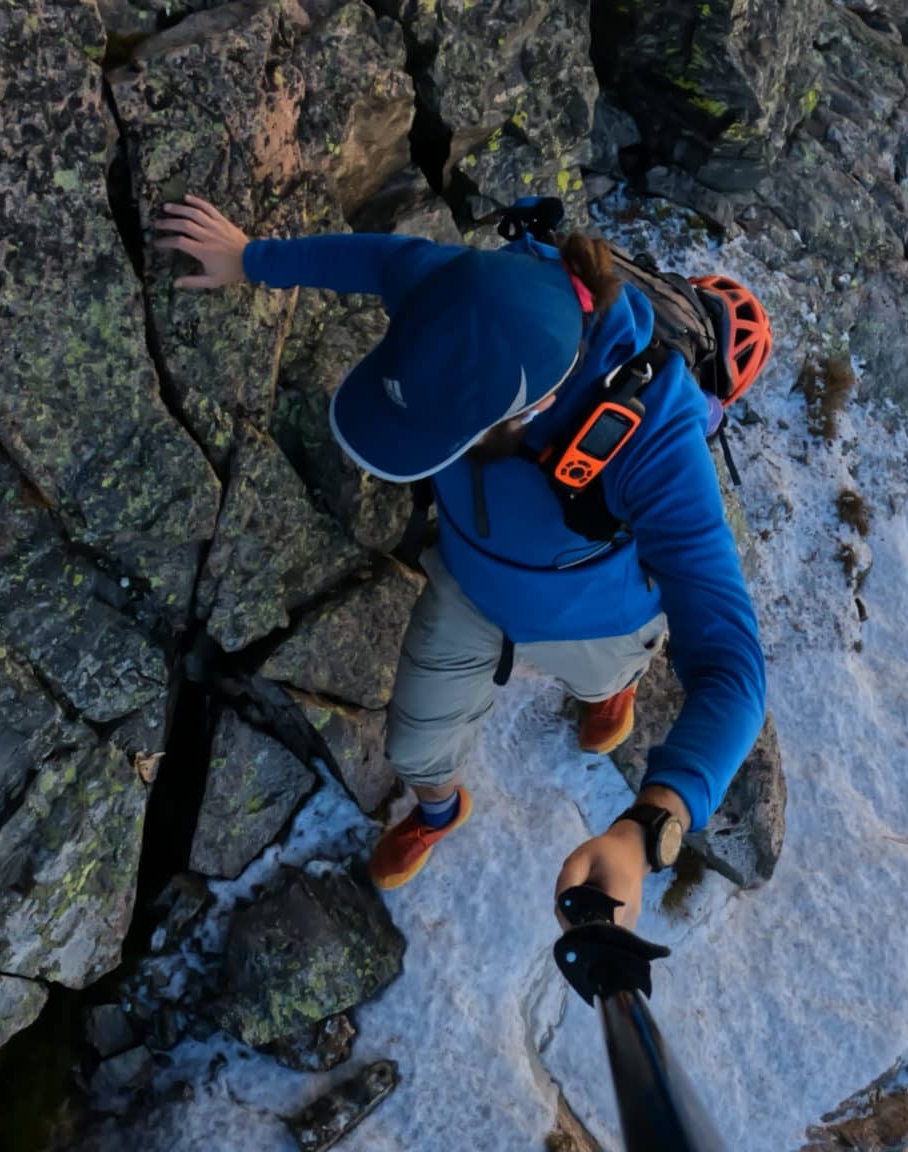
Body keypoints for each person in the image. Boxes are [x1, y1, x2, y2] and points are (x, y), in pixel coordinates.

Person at [154, 196, 766, 927]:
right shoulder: (470, 288)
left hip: (595, 616)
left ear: (525, 412)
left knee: (606, 670)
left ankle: (611, 693)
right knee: (414, 745)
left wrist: (647, 830)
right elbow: (381, 260)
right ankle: (439, 809)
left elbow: (734, 667)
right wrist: (252, 257)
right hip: (472, 585)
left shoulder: (655, 441)